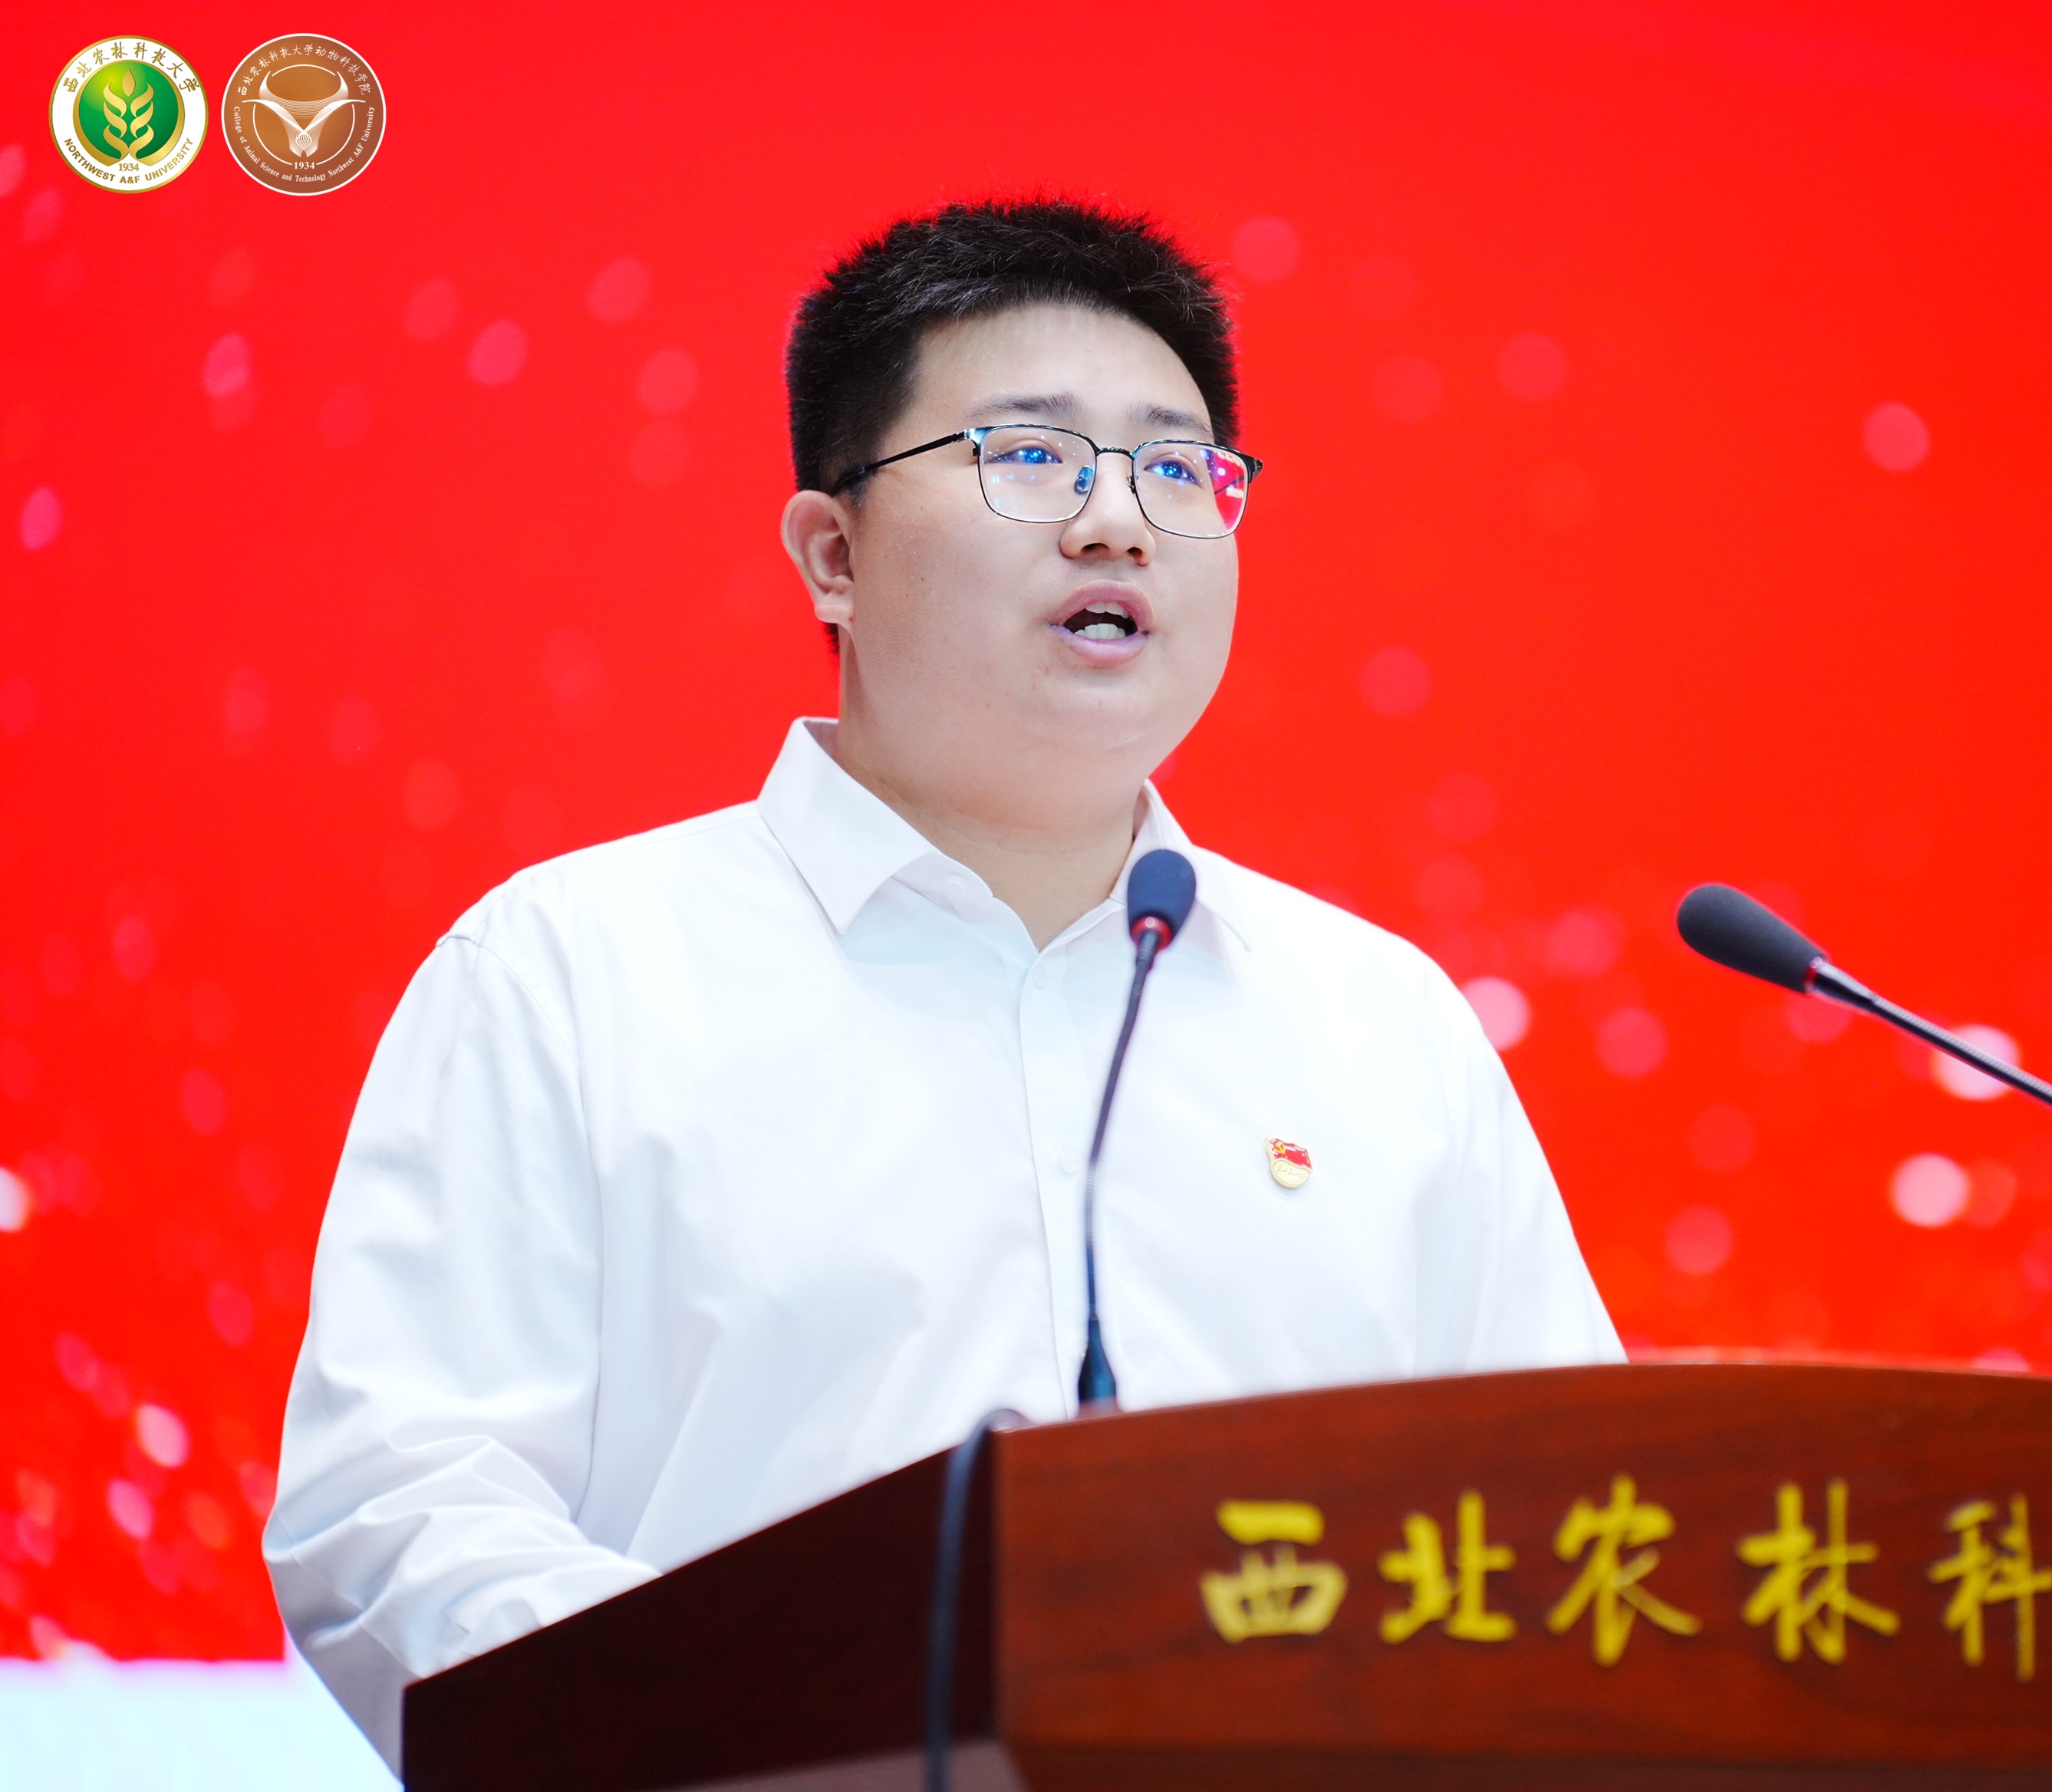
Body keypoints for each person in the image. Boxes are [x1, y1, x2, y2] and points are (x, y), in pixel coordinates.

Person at [263, 199, 1619, 1768]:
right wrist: (784, 1733)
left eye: (1178, 470)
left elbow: (1573, 1531)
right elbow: (403, 1509)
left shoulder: (1383, 1027)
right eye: (1028, 455)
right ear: (832, 554)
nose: (1117, 524)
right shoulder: (573, 971)